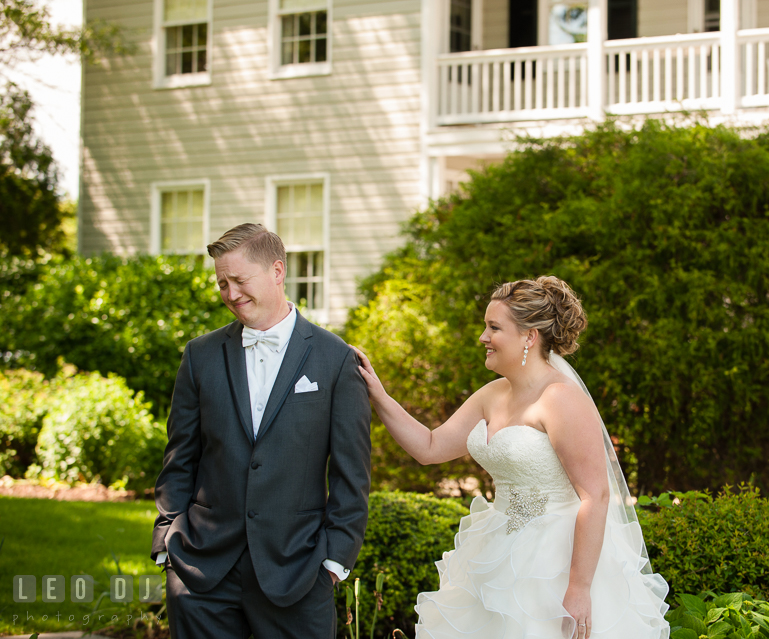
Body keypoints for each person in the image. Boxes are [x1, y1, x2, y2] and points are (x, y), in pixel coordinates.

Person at [351, 276, 669, 639]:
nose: (483, 338)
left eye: (494, 328)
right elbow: (429, 447)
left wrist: (579, 587)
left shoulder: (560, 399)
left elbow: (595, 495)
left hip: (553, 561)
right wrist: (378, 395)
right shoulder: (492, 394)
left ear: (529, 337)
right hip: (498, 547)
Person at [152, 223, 371, 638]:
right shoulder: (200, 355)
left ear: (277, 271)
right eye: (222, 283)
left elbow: (351, 473)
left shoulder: (336, 359)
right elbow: (180, 457)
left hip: (298, 570)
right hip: (201, 571)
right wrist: (167, 541)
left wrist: (334, 560)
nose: (230, 294)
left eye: (239, 280)